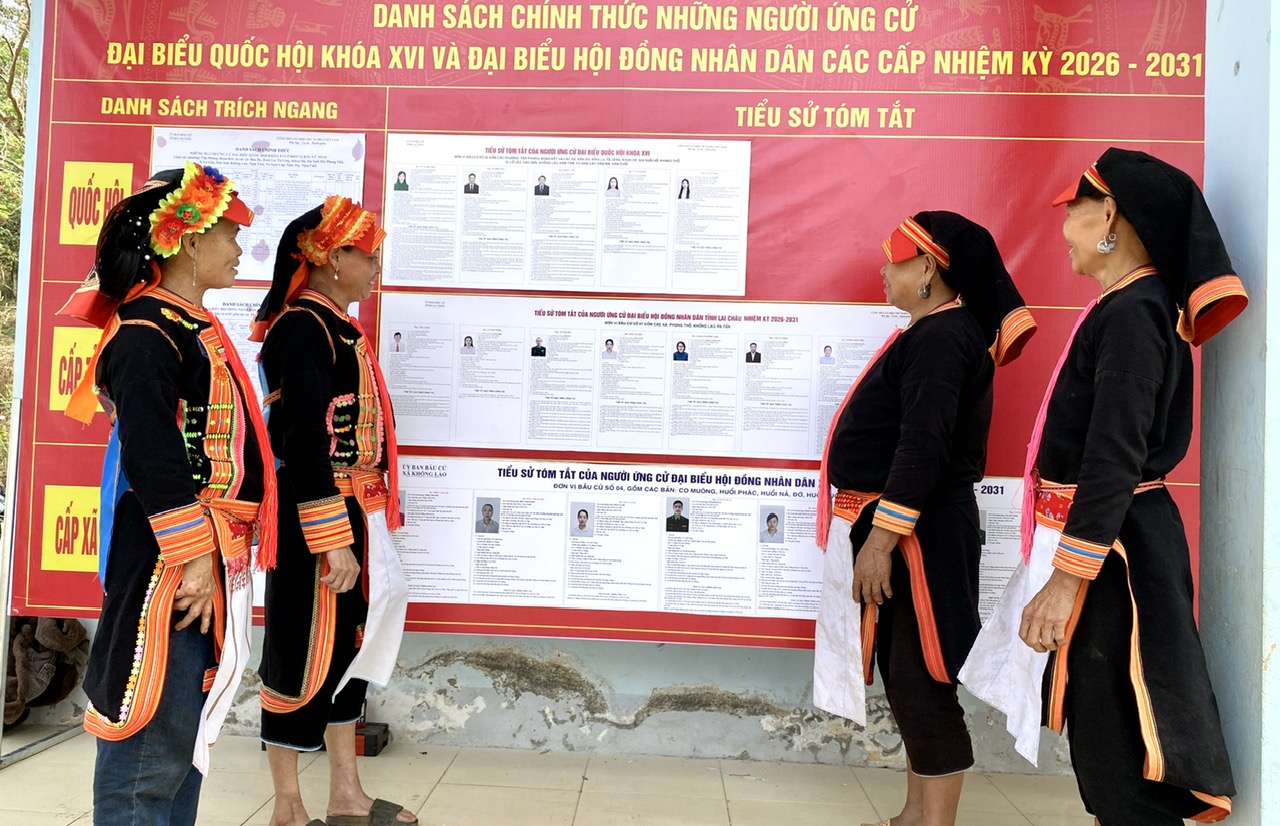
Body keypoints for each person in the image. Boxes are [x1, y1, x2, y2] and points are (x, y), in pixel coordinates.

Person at [961, 149, 1246, 825]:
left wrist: (1066, 580)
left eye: (1074, 210)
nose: (1065, 227)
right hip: (1108, 544)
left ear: (1110, 214)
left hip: (1115, 556)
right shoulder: (1127, 308)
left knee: (1116, 748)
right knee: (1101, 738)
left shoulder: (1136, 314)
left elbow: (1115, 454)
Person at [58, 161, 276, 824]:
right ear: (189, 240)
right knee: (151, 738)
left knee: (182, 739)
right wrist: (191, 559)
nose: (240, 249)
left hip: (198, 557)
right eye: (230, 235)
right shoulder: (146, 332)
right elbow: (153, 456)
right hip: (170, 566)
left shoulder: (183, 323)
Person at [812, 212, 1036, 826]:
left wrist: (881, 542)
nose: (884, 271)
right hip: (908, 529)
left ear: (929, 268)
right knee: (905, 675)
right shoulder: (934, 333)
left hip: (918, 537)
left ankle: (933, 823)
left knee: (924, 676)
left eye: (896, 259)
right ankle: (915, 816)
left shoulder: (943, 337)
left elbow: (923, 447)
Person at [249, 196, 415, 826]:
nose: (376, 268)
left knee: (349, 651)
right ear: (332, 257)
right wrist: (330, 537)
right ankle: (288, 807)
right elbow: (301, 442)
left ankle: (346, 795)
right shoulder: (302, 328)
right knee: (299, 653)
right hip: (315, 517)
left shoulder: (339, 327)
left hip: (355, 508)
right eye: (367, 256)